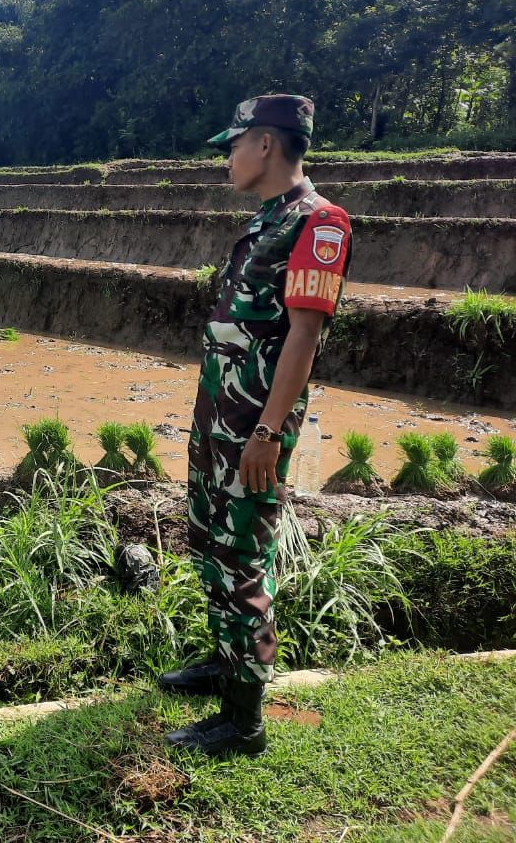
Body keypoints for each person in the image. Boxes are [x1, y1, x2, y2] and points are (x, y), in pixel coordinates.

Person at [161, 96, 353, 757]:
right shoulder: (268, 219)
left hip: (254, 429)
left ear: (266, 145)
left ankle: (243, 722)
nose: (228, 157)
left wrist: (268, 434)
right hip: (219, 416)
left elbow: (304, 336)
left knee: (244, 556)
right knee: (210, 542)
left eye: (234, 144)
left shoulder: (318, 223)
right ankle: (223, 662)